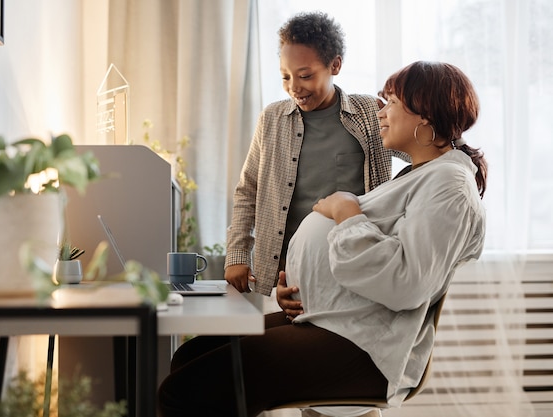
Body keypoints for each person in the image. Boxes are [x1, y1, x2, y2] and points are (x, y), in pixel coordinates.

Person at [158, 60, 487, 417]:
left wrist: (347, 213)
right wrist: (301, 287)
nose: (381, 113)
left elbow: (406, 284)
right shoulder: (421, 174)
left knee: (185, 391)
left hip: (364, 345)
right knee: (191, 356)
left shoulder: (449, 185)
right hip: (334, 319)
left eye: (391, 103)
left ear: (424, 116)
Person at [225, 11, 406, 296]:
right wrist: (237, 255)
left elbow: (422, 152)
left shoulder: (371, 112)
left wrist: (453, 147)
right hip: (282, 273)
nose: (294, 87)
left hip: (348, 272)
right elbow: (248, 190)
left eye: (305, 75)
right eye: (285, 76)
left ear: (335, 65)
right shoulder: (271, 119)